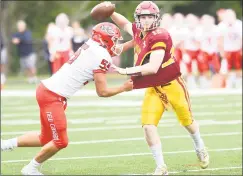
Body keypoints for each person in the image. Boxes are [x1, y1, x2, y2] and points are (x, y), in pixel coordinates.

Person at [1, 22, 133, 175]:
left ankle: (5, 144)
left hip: (47, 91)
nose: (116, 43)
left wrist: (135, 41)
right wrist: (123, 88)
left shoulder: (92, 45)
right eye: (114, 40)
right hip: (52, 96)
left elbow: (114, 51)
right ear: (106, 40)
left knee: (45, 138)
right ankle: (31, 168)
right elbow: (102, 92)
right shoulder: (101, 55)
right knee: (61, 141)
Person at [102, 1, 209, 175]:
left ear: (156, 18)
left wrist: (126, 70)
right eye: (143, 17)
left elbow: (153, 67)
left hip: (173, 85)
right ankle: (161, 166)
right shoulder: (139, 31)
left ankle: (200, 146)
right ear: (138, 18)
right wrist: (110, 11)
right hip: (154, 87)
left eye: (149, 17)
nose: (146, 20)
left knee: (187, 122)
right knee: (148, 126)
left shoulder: (160, 35)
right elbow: (123, 23)